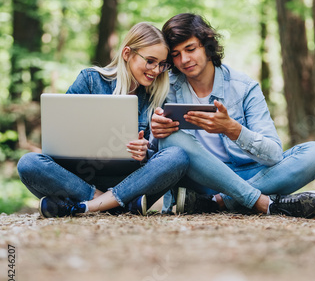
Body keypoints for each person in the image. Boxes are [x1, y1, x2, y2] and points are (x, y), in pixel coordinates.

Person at [151, 13, 315, 218]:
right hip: (202, 181)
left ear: (207, 46)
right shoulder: (166, 87)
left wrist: (232, 129)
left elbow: (274, 155)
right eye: (176, 54)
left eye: (190, 49)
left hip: (251, 174)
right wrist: (156, 135)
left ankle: (217, 203)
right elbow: (160, 158)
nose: (184, 60)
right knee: (170, 138)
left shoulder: (244, 87)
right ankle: (263, 202)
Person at [17, 22, 189, 218]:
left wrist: (144, 152)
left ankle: (81, 206)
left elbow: (156, 158)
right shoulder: (90, 80)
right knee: (28, 163)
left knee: (178, 156)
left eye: (162, 64)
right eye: (150, 61)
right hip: (79, 178)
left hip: (130, 182)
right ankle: (110, 204)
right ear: (127, 54)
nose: (156, 70)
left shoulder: (156, 98)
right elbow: (58, 135)